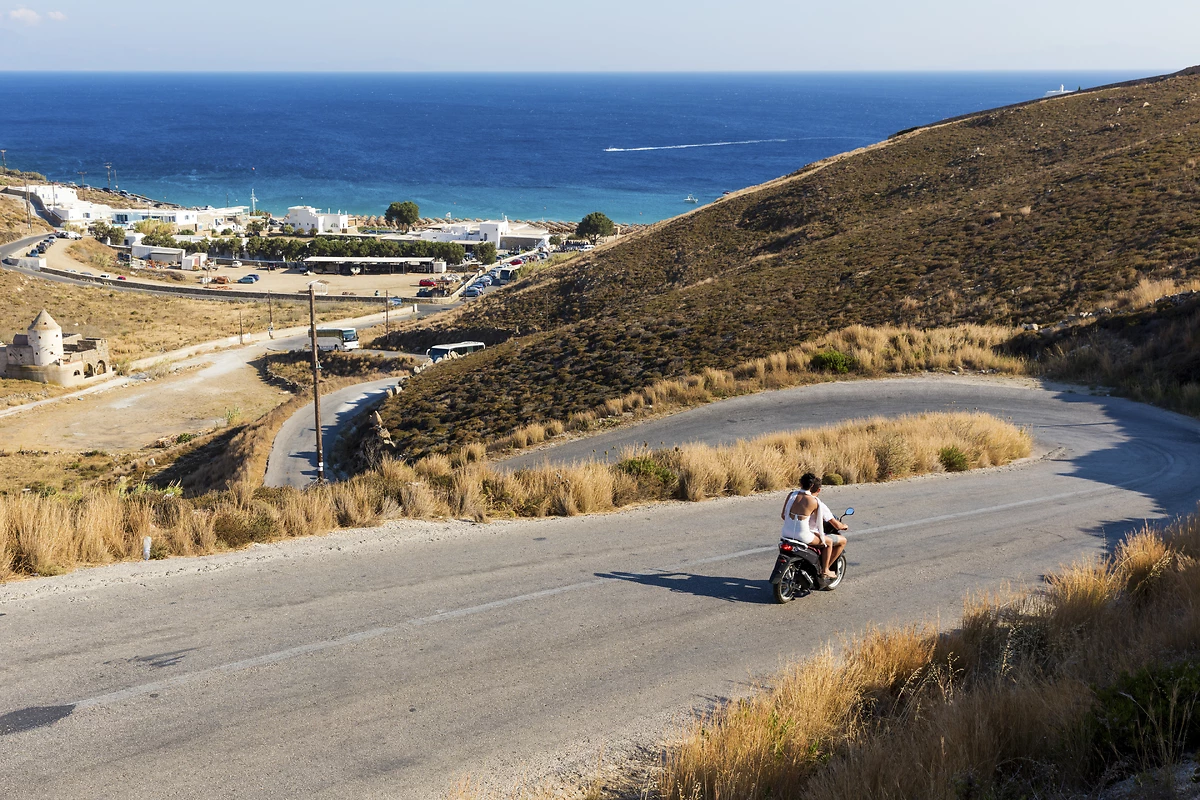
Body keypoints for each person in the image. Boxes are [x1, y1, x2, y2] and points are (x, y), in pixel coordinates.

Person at [780, 473, 846, 580]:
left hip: (786, 533)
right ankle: (825, 570)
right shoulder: (815, 501)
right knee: (828, 542)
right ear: (817, 489)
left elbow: (784, 515)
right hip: (803, 536)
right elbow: (834, 523)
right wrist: (844, 526)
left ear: (800, 483)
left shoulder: (791, 495)